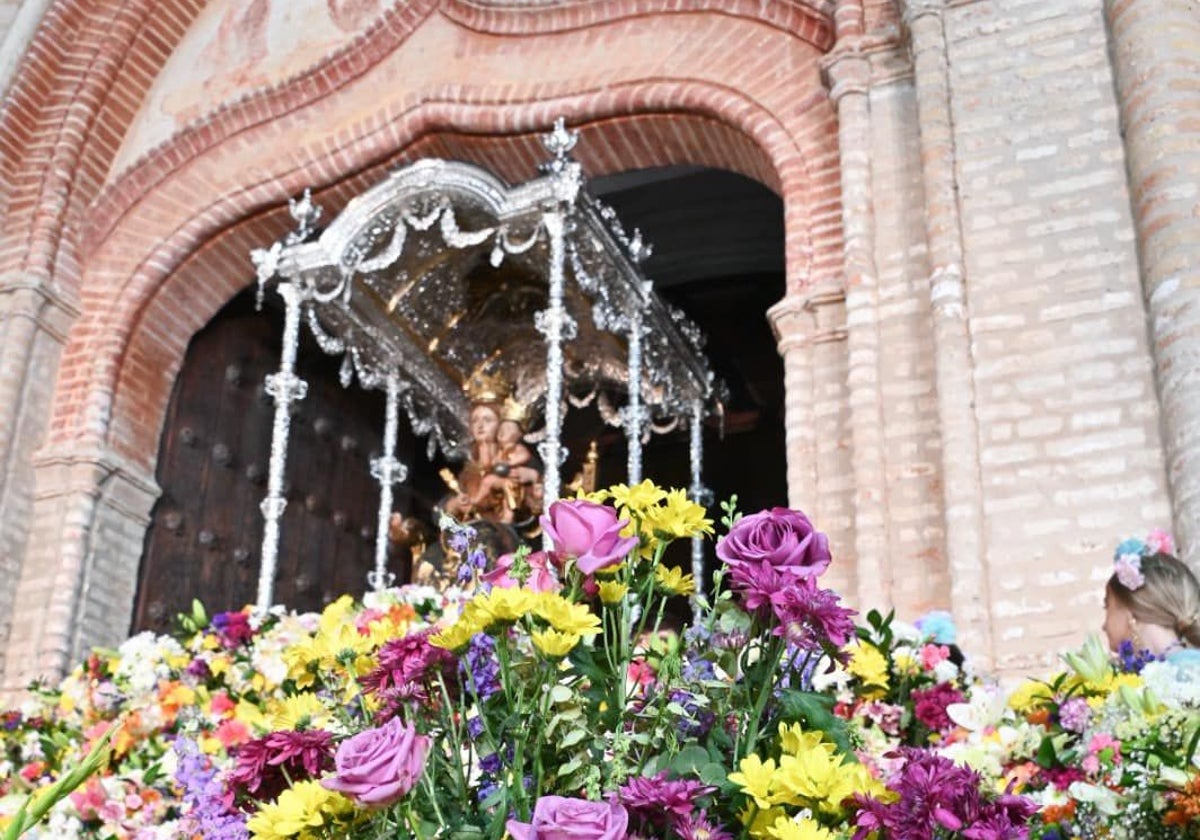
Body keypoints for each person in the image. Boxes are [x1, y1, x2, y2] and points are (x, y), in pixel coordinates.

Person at [1103, 534, 1200, 667]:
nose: (1103, 626)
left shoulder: (1184, 675)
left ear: (1129, 611)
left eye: (1107, 606)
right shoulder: (1184, 667)